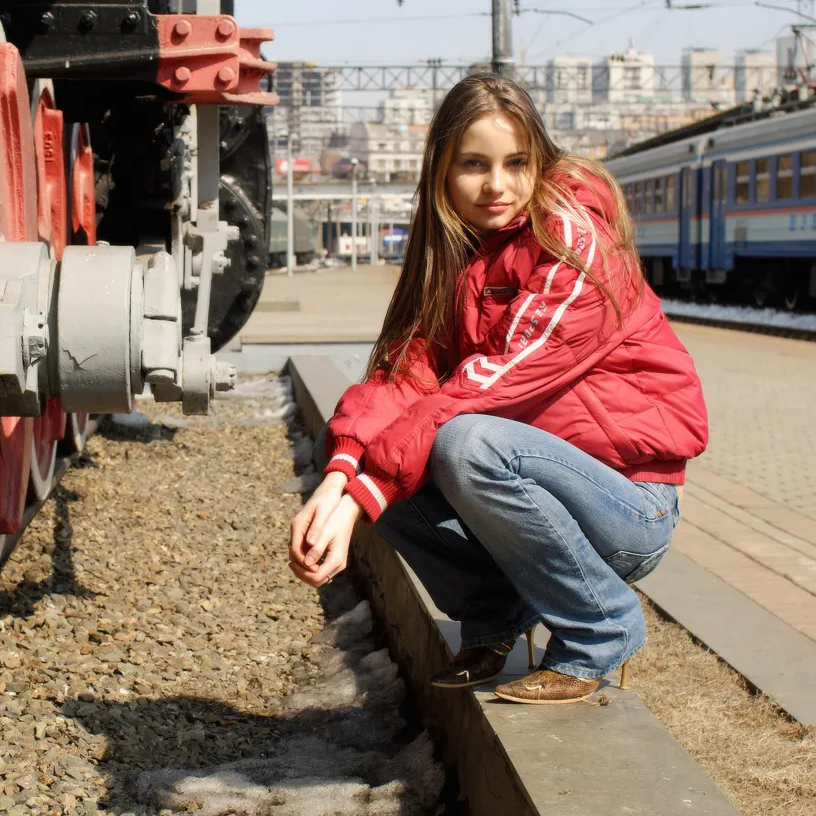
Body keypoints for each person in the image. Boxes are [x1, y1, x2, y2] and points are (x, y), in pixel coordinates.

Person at [287, 73, 709, 705]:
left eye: (516, 163)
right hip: (535, 507)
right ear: (441, 172)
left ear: (541, 160)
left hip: (626, 506)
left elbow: (495, 381)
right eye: (473, 165)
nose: (497, 185)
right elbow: (403, 377)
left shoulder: (572, 243)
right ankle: (494, 620)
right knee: (354, 444)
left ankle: (601, 629)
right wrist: (340, 477)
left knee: (465, 442)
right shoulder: (459, 253)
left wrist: (360, 497)